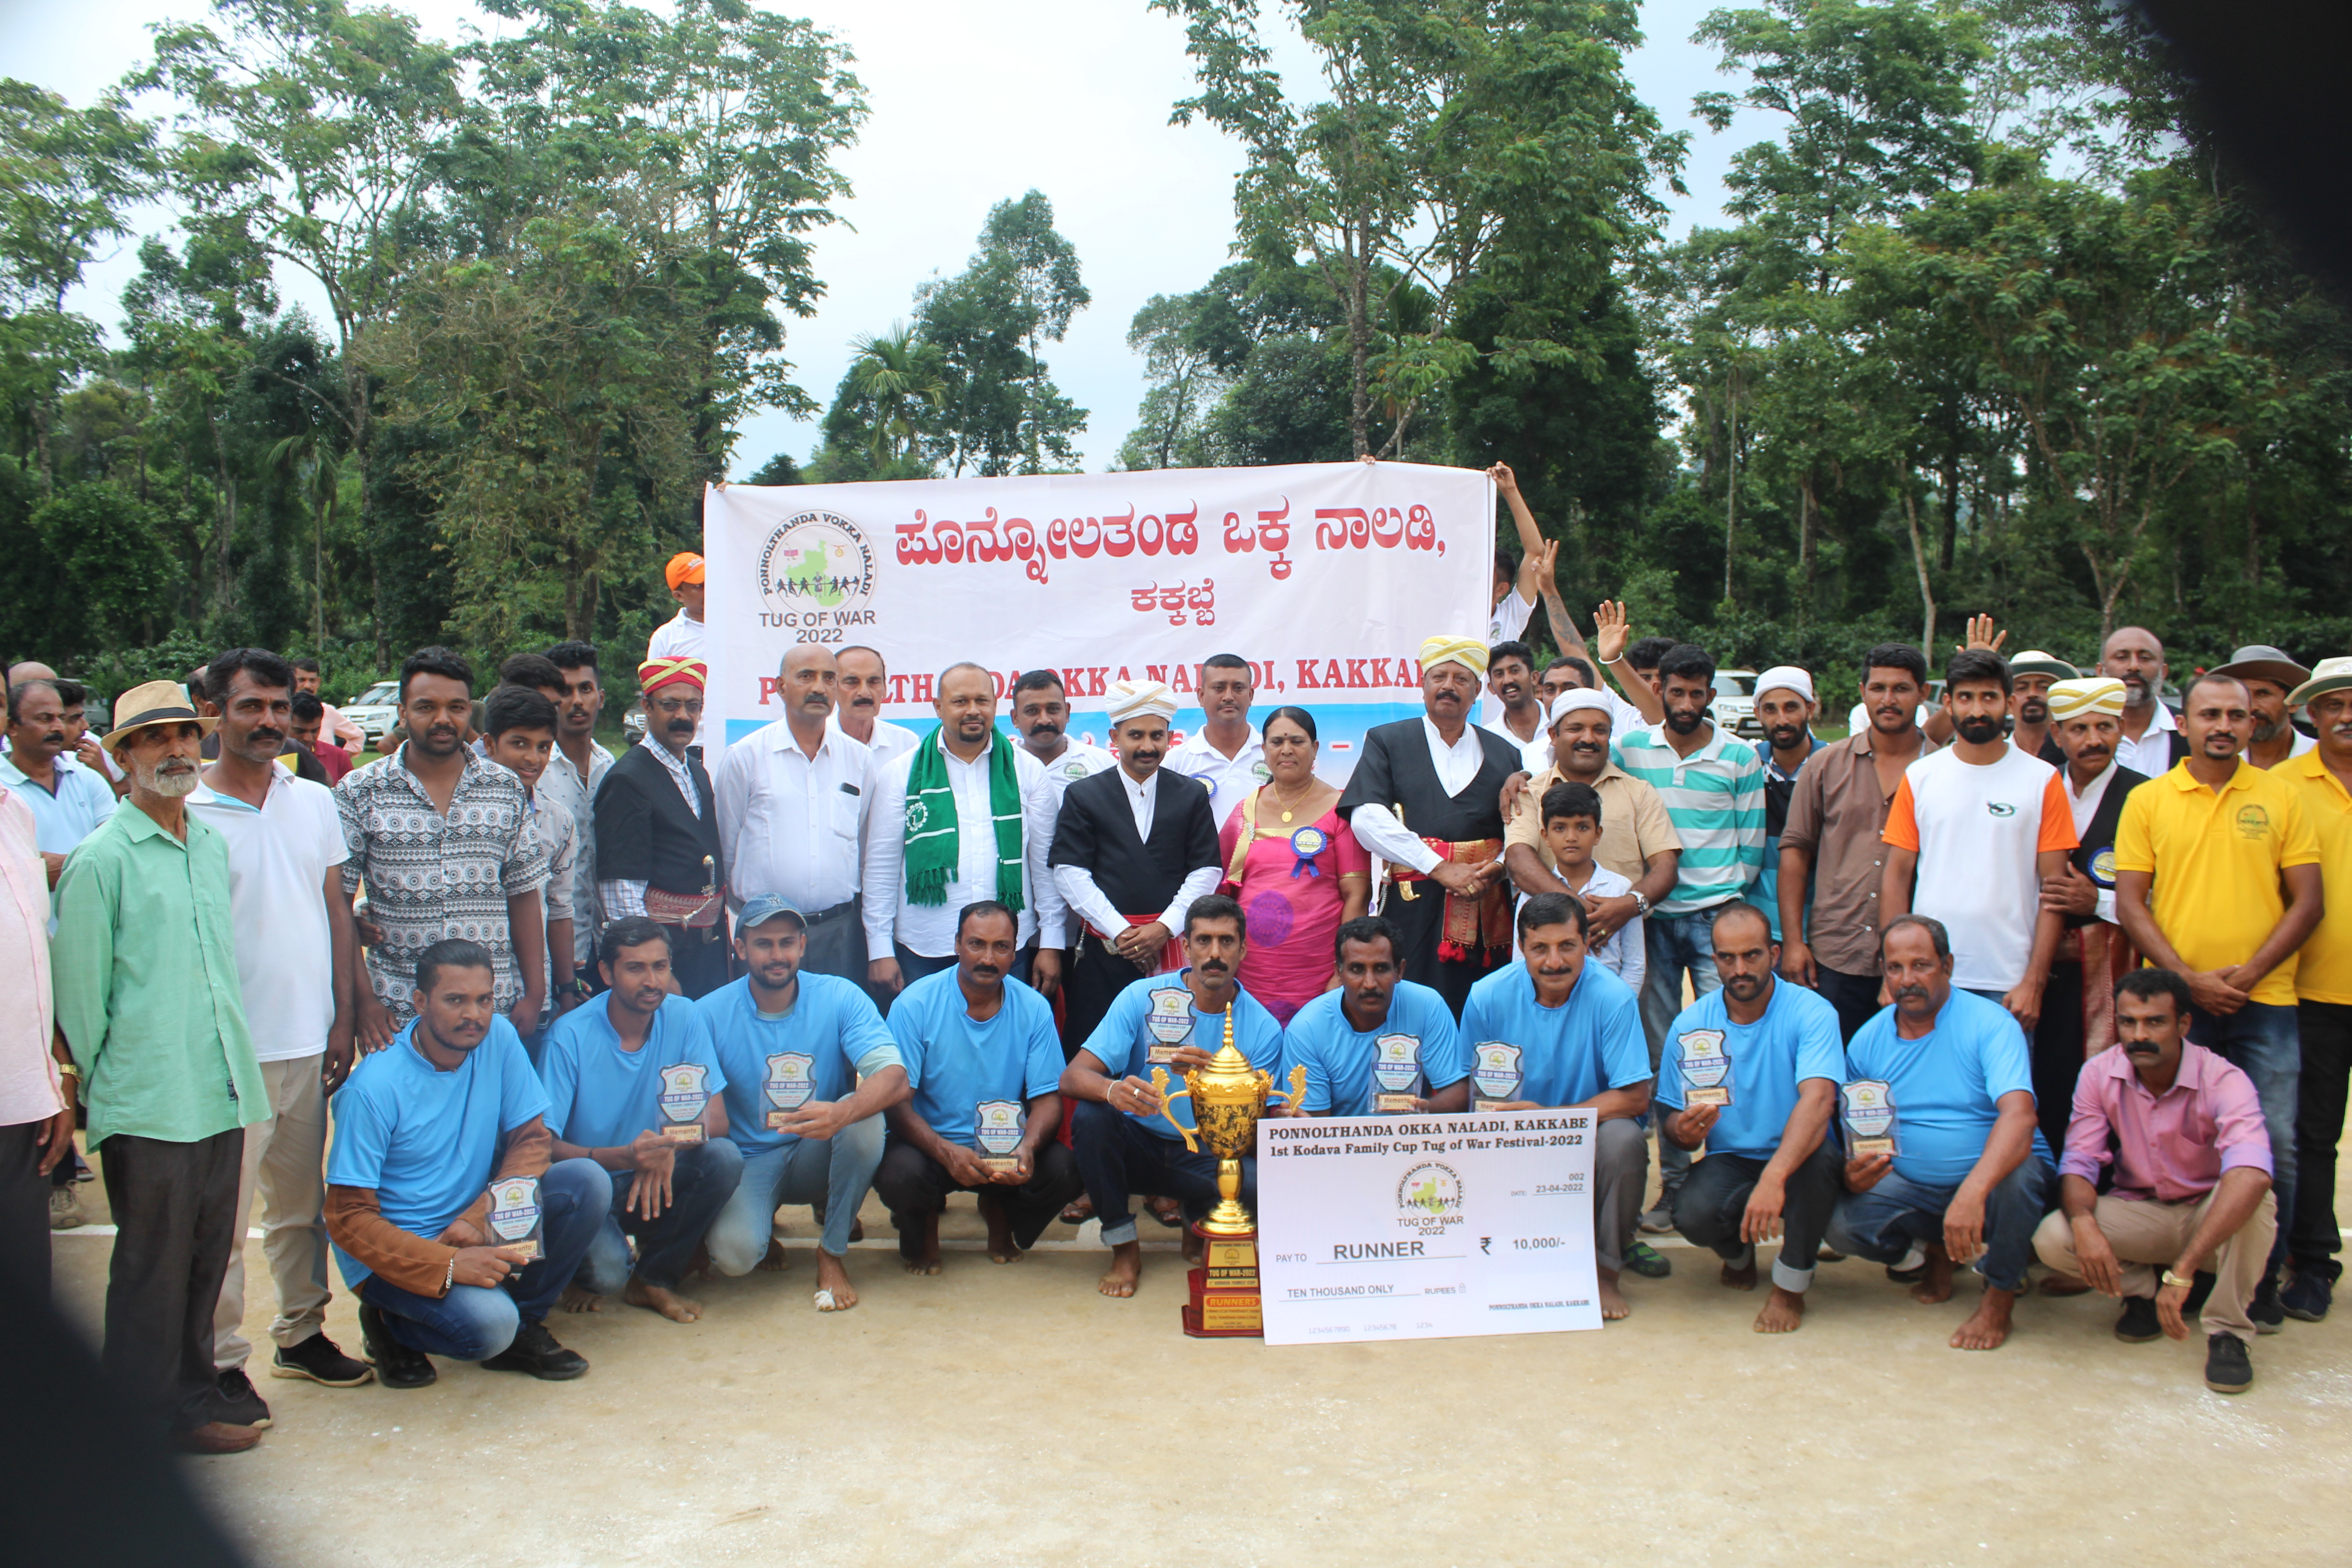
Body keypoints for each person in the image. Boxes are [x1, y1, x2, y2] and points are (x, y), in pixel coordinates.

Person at [52, 681, 269, 1452]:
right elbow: (80, 1004)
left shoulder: (206, 845)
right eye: (155, 738)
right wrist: (106, 1086)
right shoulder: (100, 860)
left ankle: (190, 1399)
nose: (176, 749)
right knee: (151, 1267)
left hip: (219, 1087)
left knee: (207, 1257)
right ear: (124, 756)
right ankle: (139, 1427)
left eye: (185, 733)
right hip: (150, 1099)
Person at [186, 648, 372, 1416]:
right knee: (223, 1221)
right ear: (214, 714)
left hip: (309, 1039)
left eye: (278, 706)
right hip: (230, 1052)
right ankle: (221, 1361)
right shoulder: (186, 810)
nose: (268, 721)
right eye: (250, 706)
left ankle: (300, 1334)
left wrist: (343, 1015)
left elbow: (336, 910)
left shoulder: (312, 799)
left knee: (300, 1207)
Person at [2113, 670, 2322, 1328]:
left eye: (2237, 715)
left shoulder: (2283, 795)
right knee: (2167, 1143)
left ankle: (2257, 1281)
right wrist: (2185, 983)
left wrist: (2250, 974)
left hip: (2268, 1000)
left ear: (2252, 722)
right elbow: (2130, 902)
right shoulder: (2151, 799)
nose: (2225, 726)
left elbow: (2307, 902)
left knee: (2275, 1144)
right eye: (2211, 715)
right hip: (2174, 1011)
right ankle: (2159, 1282)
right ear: (2188, 722)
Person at [327, 940, 602, 1390]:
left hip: (472, 1221)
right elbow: (347, 1219)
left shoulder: (499, 1037)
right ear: (420, 1002)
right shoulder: (372, 1089)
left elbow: (532, 1140)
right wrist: (447, 1265)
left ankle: (524, 1325)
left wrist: (480, 1216)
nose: (473, 1014)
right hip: (400, 1251)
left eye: (484, 1000)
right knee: (488, 1328)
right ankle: (386, 1324)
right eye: (455, 1000)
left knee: (584, 1184)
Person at [2030, 969, 2277, 1393]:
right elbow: (2079, 1162)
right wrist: (2085, 1225)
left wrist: (2182, 1269)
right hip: (2143, 1213)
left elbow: (2252, 1172)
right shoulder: (2099, 1074)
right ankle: (2143, 1294)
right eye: (2129, 1022)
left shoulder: (2223, 1079)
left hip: (2210, 1220)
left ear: (2184, 1025)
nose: (2139, 1035)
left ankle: (2228, 1333)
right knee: (2055, 1235)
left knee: (2257, 1199)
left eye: (2155, 1022)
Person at [1827, 915, 2056, 1351]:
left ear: (1947, 965)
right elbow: (1862, 1129)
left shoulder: (1990, 1024)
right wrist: (1852, 1172)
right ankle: (1937, 1248)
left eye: (1921, 965)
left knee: (2023, 1175)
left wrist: (1973, 1192)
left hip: (1995, 1182)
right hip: (1916, 1185)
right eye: (1895, 968)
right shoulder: (1867, 1042)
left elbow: (2021, 1118)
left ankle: (1999, 1296)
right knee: (1842, 1225)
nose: (1907, 980)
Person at [1062, 895, 1288, 1296]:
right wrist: (1113, 1090)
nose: (1214, 954)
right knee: (1092, 1118)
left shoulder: (1264, 1028)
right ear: (1185, 947)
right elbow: (1073, 1078)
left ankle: (1197, 1216)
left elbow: (1257, 1137)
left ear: (1244, 949)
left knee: (1264, 1186)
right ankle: (1124, 1248)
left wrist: (1219, 1087)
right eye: (1203, 940)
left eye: (1226, 941)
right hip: (1138, 1145)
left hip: (1205, 1154)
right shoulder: (1141, 997)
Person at [1616, 642, 1767, 1230]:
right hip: (1651, 919)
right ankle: (1675, 1187)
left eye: (1696, 694)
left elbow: (1750, 847)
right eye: (1674, 693)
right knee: (1664, 1053)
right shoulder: (1632, 749)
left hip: (1714, 922)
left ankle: (1732, 1172)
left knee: (1724, 1049)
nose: (1685, 703)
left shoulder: (1738, 757)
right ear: (1660, 692)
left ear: (1710, 694)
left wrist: (1720, 900)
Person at [698, 896, 906, 1311]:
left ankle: (831, 1252)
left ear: (803, 946)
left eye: (787, 943)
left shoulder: (839, 996)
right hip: (751, 1158)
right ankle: (762, 1228)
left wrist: (841, 1112)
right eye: (764, 944)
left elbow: (894, 1076)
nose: (778, 956)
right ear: (740, 949)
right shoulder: (708, 1012)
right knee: (736, 1258)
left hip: (817, 1146)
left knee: (863, 1118)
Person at [537, 918, 744, 1323]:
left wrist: (665, 1147)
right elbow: (543, 1146)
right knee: (608, 1274)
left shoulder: (683, 1015)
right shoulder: (569, 1036)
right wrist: (626, 1157)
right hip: (591, 1185)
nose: (652, 981)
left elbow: (717, 1120)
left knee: (723, 1157)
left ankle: (652, 1279)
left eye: (661, 967)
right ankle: (571, 1270)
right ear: (606, 973)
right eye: (635, 968)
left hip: (652, 1172)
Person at [1457, 894, 1653, 1321]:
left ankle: (1605, 1272)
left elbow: (1636, 1097)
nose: (1554, 962)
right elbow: (1470, 1092)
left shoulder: (1613, 997)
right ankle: (1487, 1255)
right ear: (1521, 948)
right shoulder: (1487, 996)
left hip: (1590, 1135)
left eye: (1567, 945)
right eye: (1539, 948)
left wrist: (1549, 1121)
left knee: (1626, 1141)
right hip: (1509, 1137)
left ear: (1589, 943)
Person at [338, 646, 549, 1044]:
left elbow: (523, 895)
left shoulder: (504, 788)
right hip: (396, 1012)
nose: (442, 720)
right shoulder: (359, 792)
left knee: (489, 1108)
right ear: (402, 713)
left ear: (470, 711)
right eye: (426, 707)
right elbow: (339, 901)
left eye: (456, 707)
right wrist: (364, 1002)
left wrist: (535, 993)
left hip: (491, 1010)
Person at [1657, 903, 1845, 1333]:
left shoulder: (1812, 1013)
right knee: (1691, 1214)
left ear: (1774, 955)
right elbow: (1670, 1115)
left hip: (1801, 1152)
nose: (1739, 969)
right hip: (1733, 1156)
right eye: (1727, 957)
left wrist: (1775, 1178)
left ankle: (1789, 1288)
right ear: (1714, 958)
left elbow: (1819, 1102)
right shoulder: (1691, 1024)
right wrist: (1681, 1132)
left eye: (1752, 955)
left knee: (1816, 1170)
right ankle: (1740, 1258)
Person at [878, 901, 1080, 1271]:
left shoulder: (1034, 1008)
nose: (988, 958)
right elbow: (896, 1104)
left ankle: (1002, 1210)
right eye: (976, 945)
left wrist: (1028, 1148)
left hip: (1005, 1148)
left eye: (1001, 947)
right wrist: (945, 1152)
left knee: (1066, 1169)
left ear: (1016, 949)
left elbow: (1048, 1100)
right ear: (957, 944)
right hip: (932, 1149)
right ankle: (923, 1228)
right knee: (898, 1173)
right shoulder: (914, 1005)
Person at [1881, 649, 2076, 1028]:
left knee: (2007, 1089)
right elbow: (1896, 875)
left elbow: (2055, 890)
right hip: (1927, 977)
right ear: (1949, 703)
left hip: (2009, 983)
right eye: (1966, 698)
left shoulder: (2043, 780)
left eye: (1989, 697)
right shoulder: (1920, 777)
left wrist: (2034, 981)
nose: (1977, 710)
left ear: (2010, 702)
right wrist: (1894, 971)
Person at [1338, 636, 1521, 1015]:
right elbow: (1367, 817)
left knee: (1483, 1009)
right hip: (1413, 906)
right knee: (1409, 1007)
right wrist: (1439, 867)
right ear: (1423, 686)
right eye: (1439, 677)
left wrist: (1500, 865)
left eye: (1461, 679)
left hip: (1486, 905)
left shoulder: (1506, 753)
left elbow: (1521, 824)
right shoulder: (1389, 741)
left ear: (1477, 693)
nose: (1449, 687)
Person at [864, 662, 1064, 998]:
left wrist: (1051, 943)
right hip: (925, 945)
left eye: (982, 701)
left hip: (1007, 948)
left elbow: (1046, 866)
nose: (973, 711)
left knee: (1003, 1046)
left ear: (995, 706)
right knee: (926, 1046)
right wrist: (879, 949)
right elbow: (881, 869)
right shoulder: (901, 773)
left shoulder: (1026, 770)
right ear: (938, 707)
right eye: (960, 702)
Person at [1779, 643, 1941, 1041]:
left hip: (1917, 958)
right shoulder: (1825, 766)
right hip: (1836, 950)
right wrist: (1795, 943)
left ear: (1922, 694)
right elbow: (1796, 855)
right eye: (1878, 688)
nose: (1888, 700)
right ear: (1862, 691)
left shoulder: (1945, 771)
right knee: (1833, 1072)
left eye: (1901, 689)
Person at [1047, 679, 1221, 1046]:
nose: (1147, 746)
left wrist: (1163, 929)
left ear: (1170, 737)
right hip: (1105, 951)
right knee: (1100, 1049)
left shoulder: (1190, 794)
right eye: (1136, 735)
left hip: (1172, 948)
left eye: (1157, 736)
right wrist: (1122, 933)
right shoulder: (1084, 796)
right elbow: (1069, 872)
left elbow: (1206, 870)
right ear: (1115, 736)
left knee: (1173, 1050)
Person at [2029, 678, 2150, 1162]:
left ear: (2121, 729)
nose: (2093, 740)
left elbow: (2163, 897)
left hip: (2112, 974)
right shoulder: (2037, 787)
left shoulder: (2146, 798)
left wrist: (2096, 901)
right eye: (2079, 729)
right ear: (2058, 735)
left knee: (2109, 1090)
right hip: (2037, 968)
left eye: (2104, 727)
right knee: (2044, 1085)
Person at [715, 647, 873, 984]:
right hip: (766, 933)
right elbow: (726, 847)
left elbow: (862, 845)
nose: (819, 688)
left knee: (833, 1032)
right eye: (806, 676)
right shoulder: (745, 757)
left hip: (839, 932)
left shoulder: (860, 760)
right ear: (780, 686)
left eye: (829, 678)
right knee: (764, 1031)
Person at [1214, 706, 1371, 1024]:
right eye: (1277, 742)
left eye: (1297, 741)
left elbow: (1357, 895)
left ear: (1314, 749)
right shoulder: (1244, 812)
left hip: (1320, 968)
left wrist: (1344, 967)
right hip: (1253, 970)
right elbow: (1222, 894)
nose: (1286, 750)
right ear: (1264, 749)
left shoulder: (1342, 809)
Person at [1502, 691, 1681, 961]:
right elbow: (1518, 860)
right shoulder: (1529, 793)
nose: (1588, 739)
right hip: (1547, 948)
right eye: (1576, 729)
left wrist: (1630, 905)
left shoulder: (1639, 793)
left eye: (1600, 730)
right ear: (1553, 735)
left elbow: (1666, 866)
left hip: (1623, 937)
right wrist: (1576, 910)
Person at [2281, 657, 2352, 1321]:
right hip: (2316, 994)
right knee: (2313, 1135)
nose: (2347, 714)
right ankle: (2312, 1261)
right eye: (2334, 704)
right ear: (2314, 714)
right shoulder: (2281, 786)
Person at [595, 657, 729, 999]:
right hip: (665, 961)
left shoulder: (696, 771)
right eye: (670, 705)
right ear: (647, 707)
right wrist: (655, 970)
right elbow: (621, 891)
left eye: (693, 706)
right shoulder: (628, 780)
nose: (683, 716)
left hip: (706, 950)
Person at [0, 770, 71, 1295]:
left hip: (22, 1102)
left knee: (25, 1289)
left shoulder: (13, 812)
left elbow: (32, 960)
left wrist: (59, 1070)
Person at [1281, 916, 1467, 1115]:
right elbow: (1315, 1124)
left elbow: (1459, 1090)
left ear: (1400, 971)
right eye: (1357, 969)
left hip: (1411, 1137)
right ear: (1339, 973)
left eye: (1381, 968)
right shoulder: (1307, 1029)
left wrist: (1424, 1111)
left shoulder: (1427, 1006)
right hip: (1340, 1145)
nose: (1370, 983)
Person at [480, 686, 582, 1029]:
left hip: (531, 991)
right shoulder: (464, 813)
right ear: (491, 745)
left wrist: (565, 992)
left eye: (543, 747)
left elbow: (560, 908)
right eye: (519, 743)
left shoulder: (558, 821)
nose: (532, 759)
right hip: (470, 991)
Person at [1524, 781, 1645, 993]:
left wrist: (1620, 1008)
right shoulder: (1534, 892)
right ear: (1546, 837)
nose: (1571, 837)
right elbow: (1522, 961)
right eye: (1560, 828)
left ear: (1598, 834)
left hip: (1608, 1002)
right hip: (1550, 1001)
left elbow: (1635, 965)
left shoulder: (1620, 889)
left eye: (1583, 827)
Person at [541, 640, 615, 982]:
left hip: (602, 946)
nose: (576, 701)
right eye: (565, 691)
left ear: (600, 697)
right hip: (545, 949)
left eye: (585, 689)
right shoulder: (534, 772)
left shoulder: (611, 767)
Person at [3, 675, 118, 888]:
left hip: (88, 917)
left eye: (61, 718)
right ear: (12, 727)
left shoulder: (88, 779)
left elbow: (118, 852)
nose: (58, 728)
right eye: (45, 719)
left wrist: (64, 867)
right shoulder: (3, 788)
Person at [1749, 667, 1821, 944]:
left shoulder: (1834, 765)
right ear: (1758, 714)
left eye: (1791, 707)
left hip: (1821, 929)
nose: (1781, 720)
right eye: (1770, 709)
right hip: (1757, 928)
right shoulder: (1746, 763)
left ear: (1810, 709)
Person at [1165, 653, 1267, 827]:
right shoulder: (1175, 762)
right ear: (1201, 696)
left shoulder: (1272, 755)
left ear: (1250, 695)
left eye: (1238, 688)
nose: (1228, 696)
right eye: (1219, 688)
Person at [1009, 668, 1117, 811]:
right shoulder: (1001, 765)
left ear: (1067, 712)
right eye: (1032, 711)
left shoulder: (1103, 763)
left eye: (1053, 709)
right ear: (1015, 718)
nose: (1044, 720)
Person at [2100, 625, 2187, 778]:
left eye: (2145, 658)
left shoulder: (2189, 729)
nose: (2134, 667)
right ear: (2101, 671)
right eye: (2122, 657)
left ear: (2164, 672)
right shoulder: (2078, 732)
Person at [2211, 645, 2317, 771]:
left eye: (2262, 694)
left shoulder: (2323, 758)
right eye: (2243, 695)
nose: (2252, 707)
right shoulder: (2218, 763)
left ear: (2293, 704)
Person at [834, 645, 921, 767]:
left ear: (885, 689)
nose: (864, 692)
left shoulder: (906, 744)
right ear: (832, 688)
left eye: (873, 682)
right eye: (852, 682)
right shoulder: (817, 743)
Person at [1479, 640, 1553, 773]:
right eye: (1499, 675)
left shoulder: (1560, 726)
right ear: (1491, 688)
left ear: (1534, 678)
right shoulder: (1485, 741)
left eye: (1514, 671)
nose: (1508, 680)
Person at [2004, 650, 2075, 766]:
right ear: (2008, 704)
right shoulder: (1994, 758)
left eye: (2043, 687)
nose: (2032, 694)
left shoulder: (2074, 757)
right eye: (2022, 688)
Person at [290, 657, 365, 755]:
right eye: (301, 680)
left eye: (312, 680)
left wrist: (339, 760)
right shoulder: (283, 711)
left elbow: (358, 736)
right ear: (291, 681)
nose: (308, 686)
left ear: (319, 682)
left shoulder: (327, 711)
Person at [647, 551, 707, 665]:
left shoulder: (740, 621)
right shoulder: (666, 637)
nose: (708, 590)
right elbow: (657, 682)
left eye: (710, 582)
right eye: (699, 586)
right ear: (679, 596)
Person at [288, 692, 353, 784]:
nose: (308, 738)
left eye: (315, 731)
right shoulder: (270, 756)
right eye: (300, 731)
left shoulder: (339, 757)